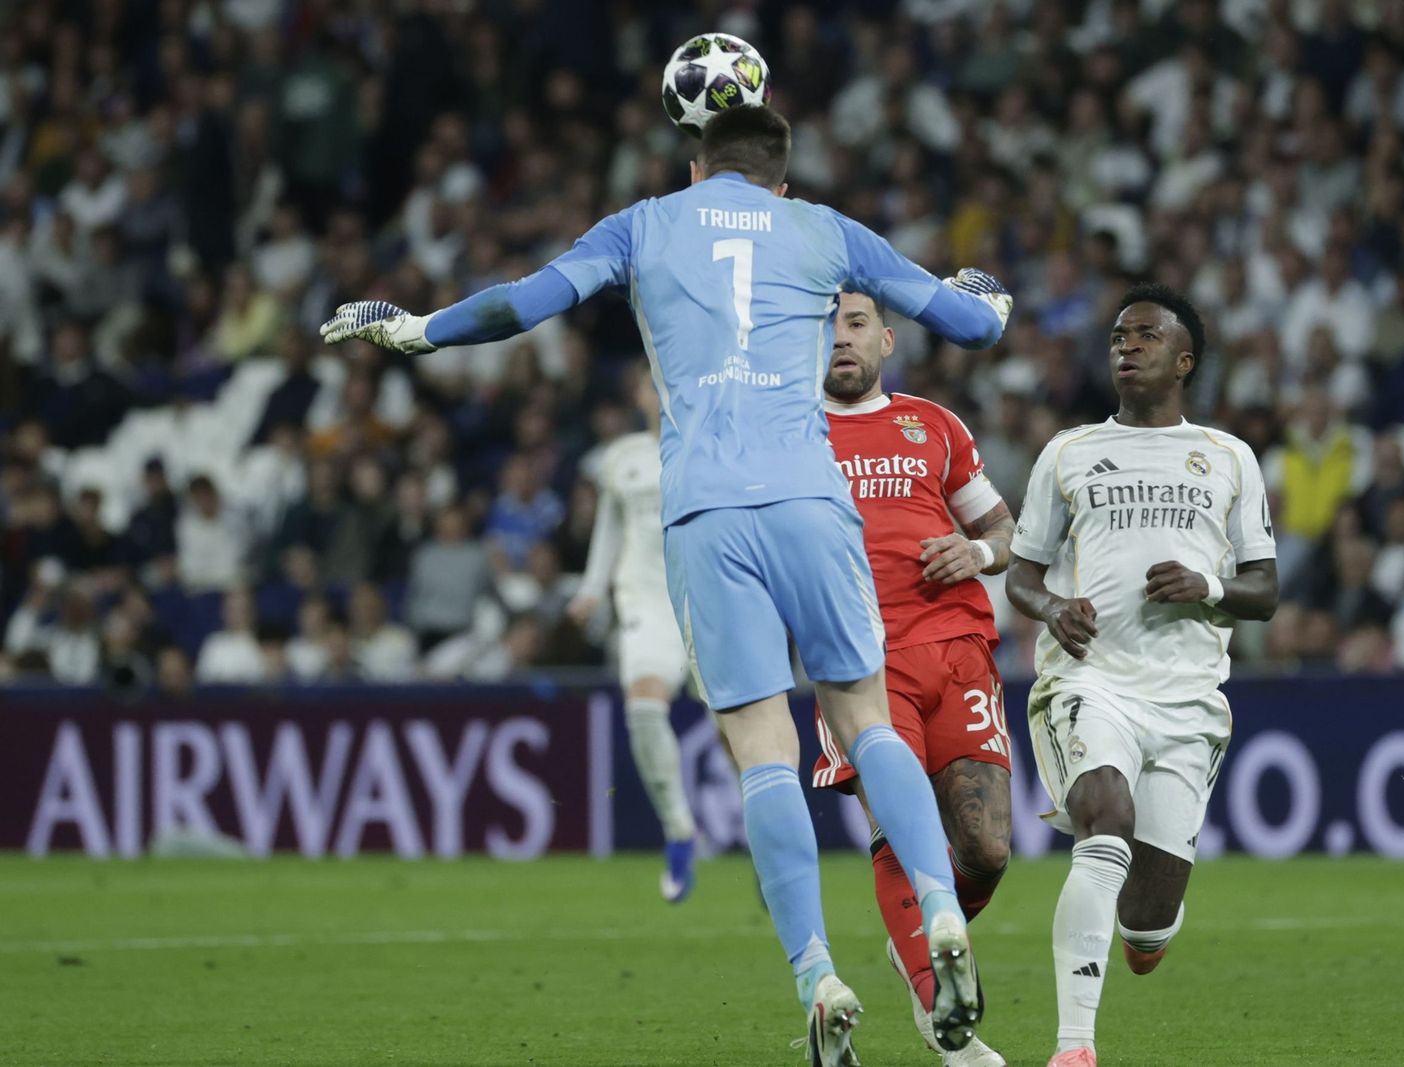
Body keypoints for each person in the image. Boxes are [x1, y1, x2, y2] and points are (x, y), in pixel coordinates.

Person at [320, 106, 1012, 1064]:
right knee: (866, 717)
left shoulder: (645, 223)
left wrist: (415, 330)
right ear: (782, 174)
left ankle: (817, 973)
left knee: (762, 749)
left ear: (696, 166)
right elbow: (971, 324)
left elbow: (522, 303)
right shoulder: (823, 229)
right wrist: (989, 293)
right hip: (813, 498)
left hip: (705, 512)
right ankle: (942, 911)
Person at [1005, 284, 1278, 1067]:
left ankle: (1146, 928)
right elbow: (1021, 574)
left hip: (1189, 700)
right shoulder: (1069, 451)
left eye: (1147, 335)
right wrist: (1051, 606)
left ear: (1184, 360)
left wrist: (1211, 587)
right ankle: (1074, 1046)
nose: (1126, 345)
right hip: (1092, 681)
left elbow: (1264, 589)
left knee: (1148, 918)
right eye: (1120, 335)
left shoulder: (1229, 458)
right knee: (1102, 810)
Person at [811, 291, 1015, 1067]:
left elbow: (1001, 525)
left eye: (856, 322)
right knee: (898, 825)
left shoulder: (934, 423)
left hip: (957, 641)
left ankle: (918, 939)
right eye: (826, 325)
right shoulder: (790, 428)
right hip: (856, 656)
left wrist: (981, 554)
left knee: (988, 849)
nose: (841, 337)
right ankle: (945, 1020)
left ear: (887, 340)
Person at [568, 365, 702, 904]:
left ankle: (767, 841)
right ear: (641, 392)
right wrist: (591, 588)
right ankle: (678, 830)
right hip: (644, 602)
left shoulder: (711, 443)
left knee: (737, 733)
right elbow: (609, 528)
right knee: (644, 706)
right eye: (652, 381)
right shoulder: (620, 459)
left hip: (707, 602)